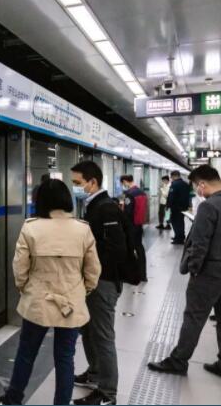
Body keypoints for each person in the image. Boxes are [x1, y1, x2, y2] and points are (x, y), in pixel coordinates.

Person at [0, 179, 101, 405]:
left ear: (40, 201)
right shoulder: (82, 229)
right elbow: (93, 270)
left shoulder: (31, 227)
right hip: (71, 304)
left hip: (38, 301)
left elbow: (20, 268)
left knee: (26, 353)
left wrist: (26, 289)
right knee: (65, 358)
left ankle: (13, 399)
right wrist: (82, 292)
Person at [148, 165, 221, 381]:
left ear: (202, 184)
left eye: (196, 186)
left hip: (210, 273)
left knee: (194, 316)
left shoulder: (208, 206)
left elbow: (200, 243)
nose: (197, 191)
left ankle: (178, 361)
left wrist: (194, 269)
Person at [71, 161, 128, 405]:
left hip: (103, 281)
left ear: (92, 182)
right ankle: (95, 373)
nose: (75, 187)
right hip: (92, 280)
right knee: (88, 330)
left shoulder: (106, 209)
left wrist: (87, 259)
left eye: (77, 183)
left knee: (103, 336)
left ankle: (107, 393)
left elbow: (117, 250)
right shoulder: (94, 205)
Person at [120, 175, 148, 282]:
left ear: (125, 181)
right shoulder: (142, 192)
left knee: (129, 250)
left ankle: (131, 275)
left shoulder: (130, 194)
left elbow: (128, 212)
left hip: (131, 225)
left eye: (123, 183)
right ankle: (143, 275)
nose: (123, 185)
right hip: (139, 225)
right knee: (140, 249)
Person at [166, 170, 191, 244]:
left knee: (175, 222)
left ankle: (178, 239)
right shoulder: (185, 184)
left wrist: (168, 206)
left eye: (171, 177)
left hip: (175, 207)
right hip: (184, 207)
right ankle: (181, 236)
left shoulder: (174, 184)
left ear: (174, 176)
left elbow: (171, 197)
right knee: (180, 222)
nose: (171, 179)